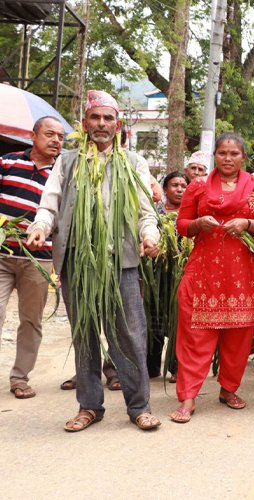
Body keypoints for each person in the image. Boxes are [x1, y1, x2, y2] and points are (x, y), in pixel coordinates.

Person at [26, 90, 162, 431]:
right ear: (85, 123)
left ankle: (139, 406)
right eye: (95, 118)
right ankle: (89, 406)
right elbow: (50, 202)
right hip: (78, 261)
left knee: (129, 335)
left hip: (123, 262)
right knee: (84, 333)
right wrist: (41, 227)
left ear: (118, 125)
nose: (101, 124)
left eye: (108, 118)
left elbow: (147, 212)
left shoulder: (134, 163)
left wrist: (150, 237)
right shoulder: (67, 161)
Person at [168, 133, 254, 423]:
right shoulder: (198, 187)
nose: (228, 158)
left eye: (234, 154)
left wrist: (247, 223)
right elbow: (182, 225)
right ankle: (188, 397)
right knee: (195, 336)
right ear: (215, 155)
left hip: (239, 274)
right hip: (203, 274)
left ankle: (228, 389)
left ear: (243, 158)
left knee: (238, 337)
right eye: (223, 153)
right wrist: (198, 223)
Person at [0, 116, 64, 399]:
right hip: (2, 254)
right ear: (33, 135)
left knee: (31, 320)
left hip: (39, 260)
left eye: (60, 137)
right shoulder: (8, 162)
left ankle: (20, 378)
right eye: (50, 134)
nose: (56, 141)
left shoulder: (63, 172)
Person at [146, 170, 191, 382]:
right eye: (174, 185)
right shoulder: (155, 211)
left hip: (181, 272)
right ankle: (151, 365)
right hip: (155, 273)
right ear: (165, 189)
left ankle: (176, 366)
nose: (179, 189)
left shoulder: (192, 213)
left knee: (177, 318)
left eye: (183, 186)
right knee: (153, 314)